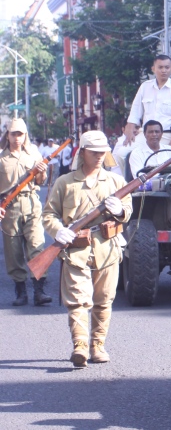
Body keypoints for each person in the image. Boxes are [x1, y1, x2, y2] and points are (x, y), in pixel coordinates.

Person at [42, 130, 132, 367]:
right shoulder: (65, 182)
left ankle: (98, 345)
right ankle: (80, 345)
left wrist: (120, 211)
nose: (100, 156)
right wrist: (58, 230)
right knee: (78, 300)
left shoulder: (116, 181)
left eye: (103, 152)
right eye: (94, 152)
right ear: (82, 153)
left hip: (107, 246)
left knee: (104, 299)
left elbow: (128, 211)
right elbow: (49, 214)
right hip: (75, 248)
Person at [1, 118, 52, 306]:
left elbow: (40, 182)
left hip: (31, 203)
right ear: (8, 135)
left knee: (37, 246)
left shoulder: (33, 154)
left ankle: (39, 290)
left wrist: (40, 171)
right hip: (10, 208)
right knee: (13, 252)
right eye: (13, 134)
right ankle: (20, 291)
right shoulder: (1, 157)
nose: (17, 138)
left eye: (20, 134)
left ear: (25, 136)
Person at [124, 54, 171, 149]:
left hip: (167, 135)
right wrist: (129, 132)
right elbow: (135, 111)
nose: (164, 70)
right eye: (160, 67)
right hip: (145, 135)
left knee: (170, 160)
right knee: (122, 154)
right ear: (153, 69)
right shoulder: (145, 87)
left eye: (167, 67)